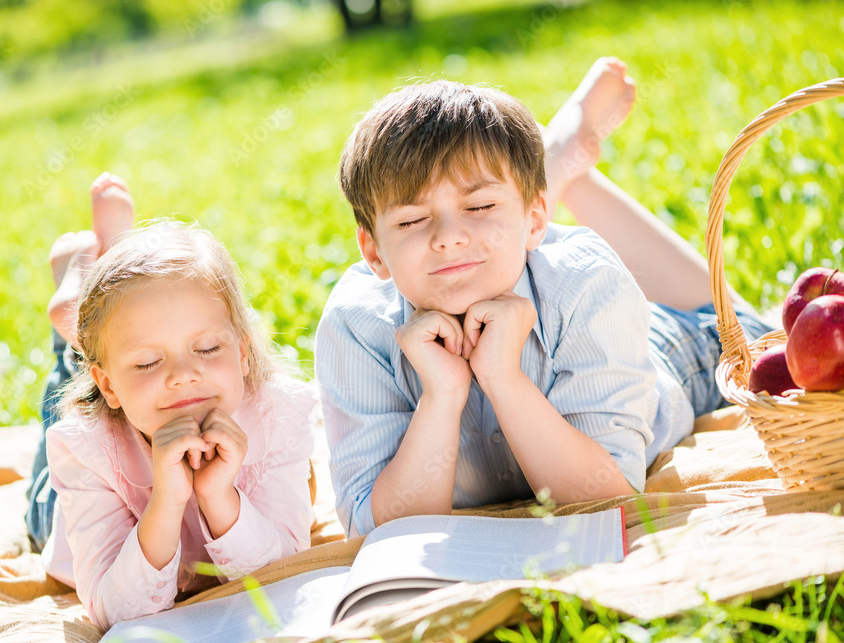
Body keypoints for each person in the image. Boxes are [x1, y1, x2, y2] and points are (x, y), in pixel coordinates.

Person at [315, 57, 775, 538]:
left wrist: (503, 378)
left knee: (741, 329)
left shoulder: (584, 280)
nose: (448, 237)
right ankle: (554, 160)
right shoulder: (357, 326)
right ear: (373, 252)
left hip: (674, 353)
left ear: (539, 221)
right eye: (411, 221)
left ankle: (556, 161)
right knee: (497, 224)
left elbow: (607, 499)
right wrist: (443, 396)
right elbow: (378, 528)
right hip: (522, 239)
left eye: (478, 205)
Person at [25, 175, 319, 629]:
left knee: (121, 328)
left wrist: (218, 495)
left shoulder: (279, 415)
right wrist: (166, 501)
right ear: (109, 385)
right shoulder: (86, 448)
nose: (184, 375)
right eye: (147, 363)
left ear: (242, 353)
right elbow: (111, 610)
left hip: (117, 365)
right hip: (73, 501)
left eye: (206, 350)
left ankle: (99, 287)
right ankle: (72, 326)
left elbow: (281, 569)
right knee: (41, 507)